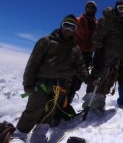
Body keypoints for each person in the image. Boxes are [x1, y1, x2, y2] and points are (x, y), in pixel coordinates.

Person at [10, 15, 92, 143]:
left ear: (75, 30)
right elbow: (32, 63)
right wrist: (28, 83)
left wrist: (89, 80)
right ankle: (19, 136)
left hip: (61, 87)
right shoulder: (46, 41)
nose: (68, 29)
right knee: (33, 110)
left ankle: (39, 136)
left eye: (72, 27)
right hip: (41, 84)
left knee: (50, 112)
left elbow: (80, 67)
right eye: (66, 25)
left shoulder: (75, 48)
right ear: (61, 25)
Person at [82, 0, 123, 111]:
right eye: (120, 8)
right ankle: (89, 105)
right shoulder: (107, 20)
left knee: (108, 80)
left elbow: (120, 42)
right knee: (97, 79)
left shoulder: (122, 24)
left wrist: (120, 57)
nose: (122, 11)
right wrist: (100, 52)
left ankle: (99, 104)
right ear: (116, 8)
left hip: (114, 59)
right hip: (103, 56)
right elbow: (96, 37)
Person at [66, 1, 98, 107]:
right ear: (85, 9)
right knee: (67, 80)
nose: (90, 10)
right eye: (88, 8)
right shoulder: (77, 20)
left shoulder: (96, 25)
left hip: (86, 56)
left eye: (93, 8)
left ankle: (66, 103)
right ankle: (59, 106)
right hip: (73, 54)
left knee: (77, 83)